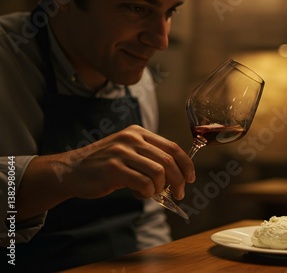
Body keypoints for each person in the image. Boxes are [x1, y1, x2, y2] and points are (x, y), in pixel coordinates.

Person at [0, 0, 195, 271]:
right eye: (138, 9)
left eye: (170, 12)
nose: (161, 40)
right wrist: (67, 171)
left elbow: (146, 219)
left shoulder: (139, 81)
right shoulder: (8, 59)